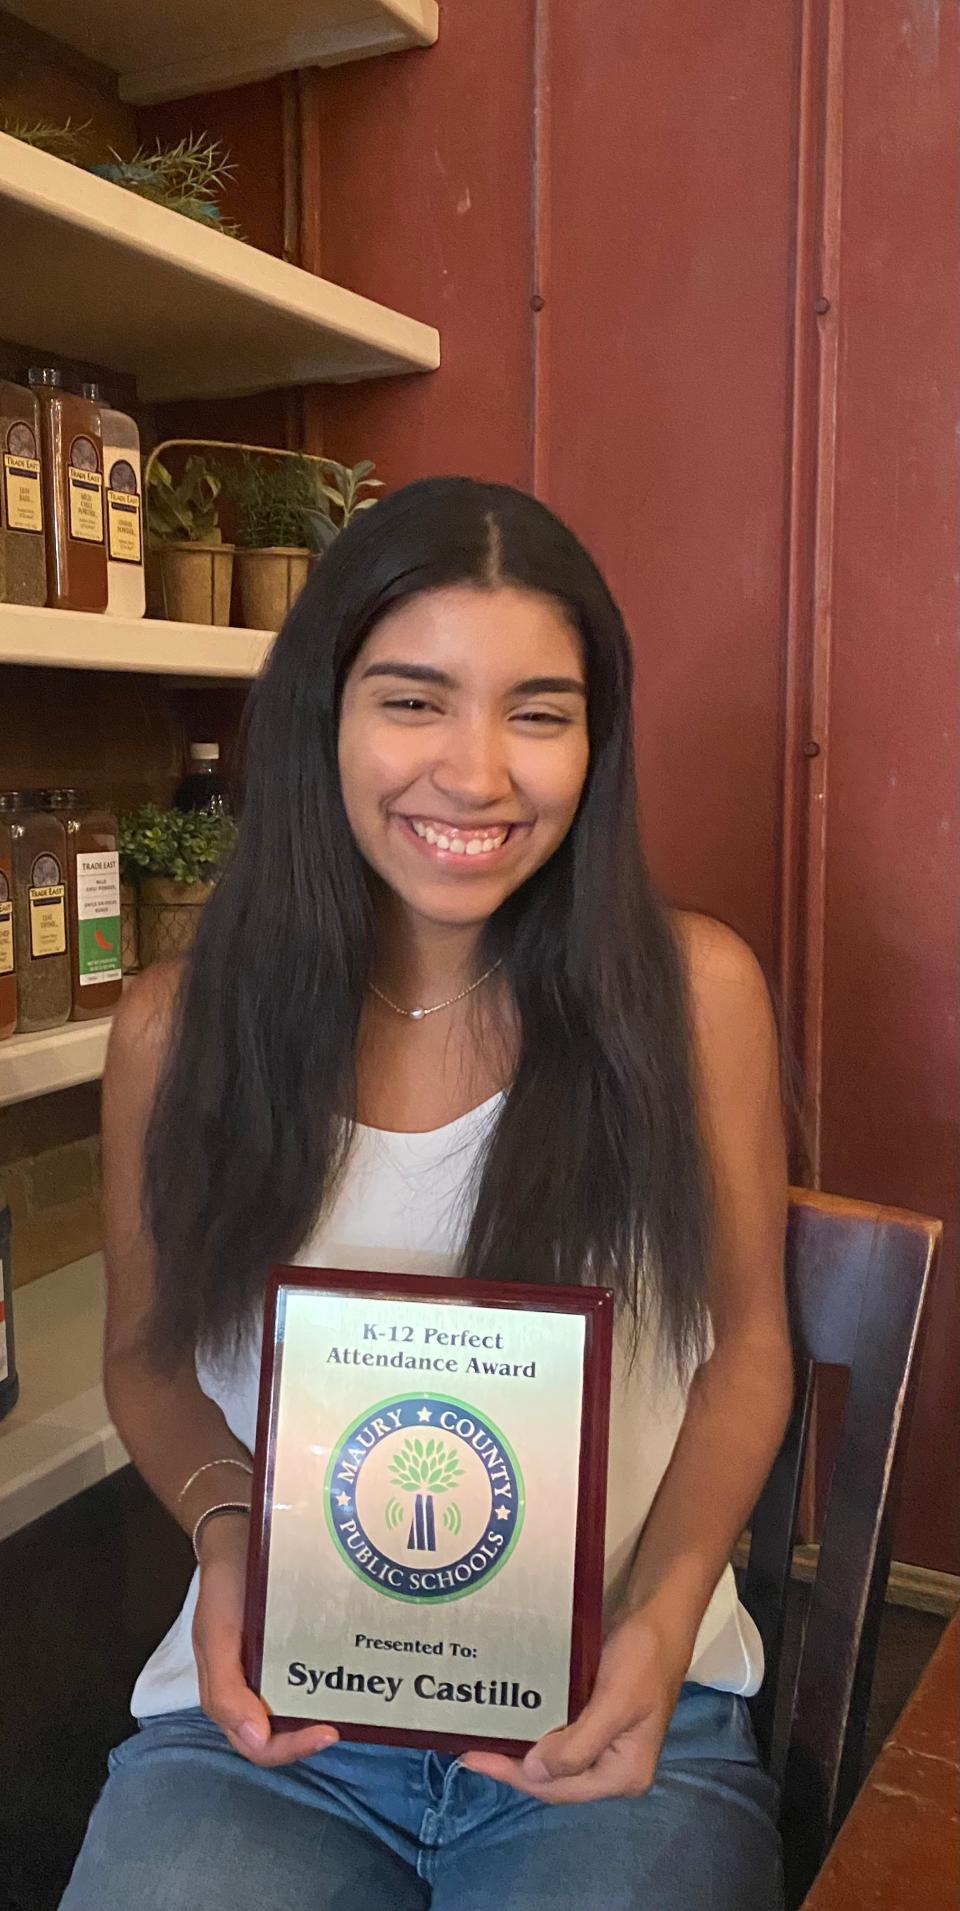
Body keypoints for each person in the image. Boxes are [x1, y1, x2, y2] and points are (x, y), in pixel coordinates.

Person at [61, 477, 792, 1910]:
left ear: (598, 740)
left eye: (538, 711)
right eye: (413, 701)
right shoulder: (177, 1028)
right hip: (278, 1726)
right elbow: (149, 1361)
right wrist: (227, 1538)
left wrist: (664, 1616)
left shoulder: (692, 997)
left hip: (621, 1707)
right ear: (321, 715)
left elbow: (747, 1345)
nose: (477, 774)